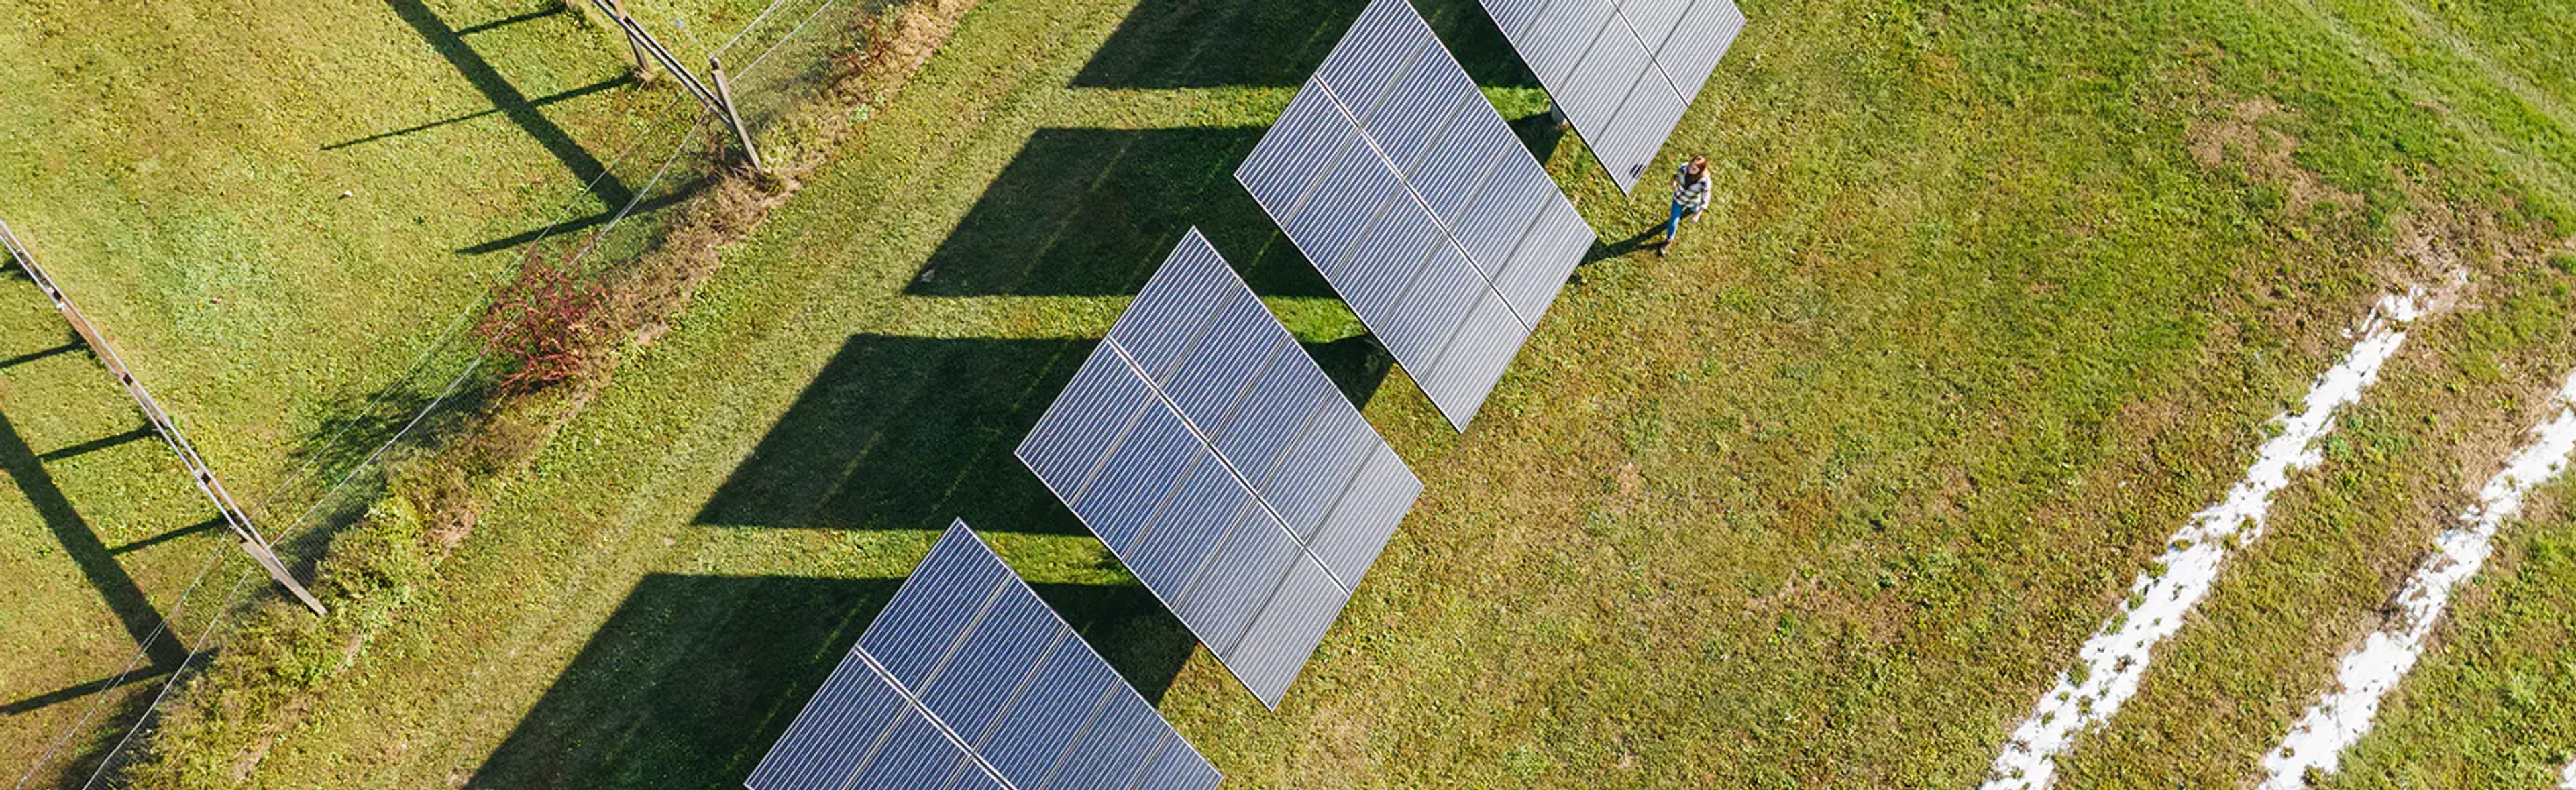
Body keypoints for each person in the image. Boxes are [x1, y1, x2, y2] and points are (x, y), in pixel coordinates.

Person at [1656, 156, 1712, 256]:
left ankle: (1692, 211)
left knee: (1694, 209)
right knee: (1674, 220)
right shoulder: (1683, 168)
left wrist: (1697, 215)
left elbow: (1705, 199)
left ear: (1700, 171)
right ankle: (1669, 240)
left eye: (1694, 169)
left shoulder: (1705, 182)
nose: (1690, 170)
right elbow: (1676, 175)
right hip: (1679, 199)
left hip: (1692, 202)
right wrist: (1674, 181)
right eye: (1690, 166)